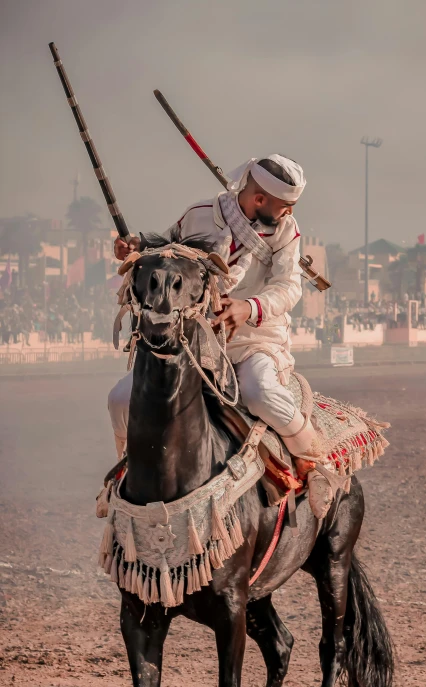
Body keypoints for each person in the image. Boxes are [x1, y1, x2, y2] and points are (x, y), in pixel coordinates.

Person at [109, 154, 334, 518]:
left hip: (254, 341)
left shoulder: (285, 233)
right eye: (286, 207)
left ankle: (314, 464)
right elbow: (165, 251)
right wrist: (135, 250)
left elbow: (289, 287)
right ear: (259, 199)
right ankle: (127, 465)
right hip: (195, 341)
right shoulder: (198, 213)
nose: (289, 214)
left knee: (262, 396)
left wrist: (247, 308)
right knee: (120, 399)